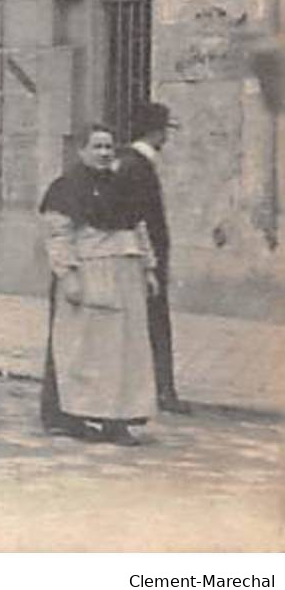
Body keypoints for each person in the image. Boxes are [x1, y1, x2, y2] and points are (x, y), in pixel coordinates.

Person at [38, 123, 158, 446]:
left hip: (127, 274)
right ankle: (76, 416)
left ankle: (117, 420)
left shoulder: (124, 185)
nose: (104, 153)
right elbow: (58, 235)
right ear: (81, 151)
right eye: (97, 147)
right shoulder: (66, 188)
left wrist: (149, 269)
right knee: (88, 351)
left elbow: (139, 227)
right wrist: (68, 275)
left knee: (126, 351)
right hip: (91, 274)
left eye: (109, 147)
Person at [115, 101, 189, 414]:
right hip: (146, 257)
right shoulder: (138, 166)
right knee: (155, 321)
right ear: (157, 132)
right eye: (164, 130)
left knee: (146, 322)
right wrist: (152, 262)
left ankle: (156, 388)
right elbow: (139, 218)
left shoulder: (129, 162)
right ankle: (162, 390)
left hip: (142, 255)